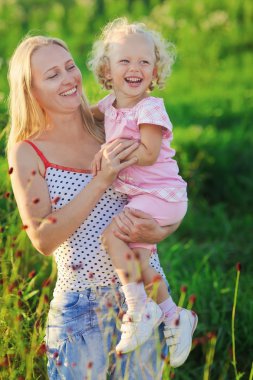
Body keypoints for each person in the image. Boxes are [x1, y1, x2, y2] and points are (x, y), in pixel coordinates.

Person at [7, 35, 181, 379]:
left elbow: (164, 190)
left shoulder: (111, 123)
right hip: (80, 310)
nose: (69, 79)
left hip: (144, 301)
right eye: (52, 74)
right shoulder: (27, 151)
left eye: (70, 67)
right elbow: (42, 240)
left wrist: (163, 229)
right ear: (31, 90)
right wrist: (101, 180)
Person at [88, 17, 198, 366]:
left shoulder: (150, 108)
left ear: (155, 72)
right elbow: (82, 118)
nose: (135, 68)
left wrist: (109, 152)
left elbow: (149, 153)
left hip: (163, 194)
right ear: (107, 69)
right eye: (125, 61)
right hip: (148, 197)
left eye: (144, 62)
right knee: (138, 258)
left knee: (111, 239)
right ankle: (174, 315)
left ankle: (139, 309)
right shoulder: (108, 106)